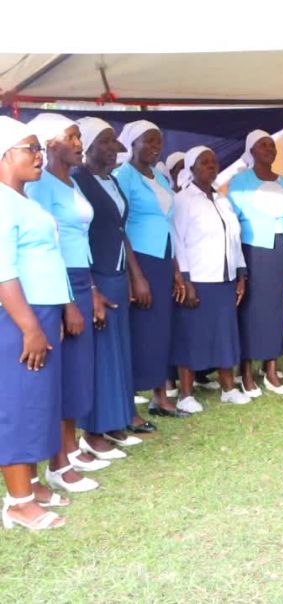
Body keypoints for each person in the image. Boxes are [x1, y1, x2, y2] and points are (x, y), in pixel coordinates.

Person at [25, 114, 117, 494]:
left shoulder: (72, 182)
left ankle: (68, 449)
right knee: (60, 374)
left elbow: (78, 241)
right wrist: (67, 303)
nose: (79, 143)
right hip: (58, 283)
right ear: (50, 145)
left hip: (81, 278)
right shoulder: (41, 186)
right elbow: (52, 248)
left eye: (79, 136)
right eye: (72, 137)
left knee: (76, 371)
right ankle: (57, 462)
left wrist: (90, 288)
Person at [0, 116, 72, 530]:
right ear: (6, 155)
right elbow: (4, 271)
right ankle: (17, 502)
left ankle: (29, 485)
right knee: (18, 402)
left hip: (40, 311)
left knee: (38, 400)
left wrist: (54, 314)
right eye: (31, 148)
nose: (39, 156)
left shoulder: (25, 200)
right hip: (18, 315)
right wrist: (29, 326)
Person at [73, 117, 155, 463]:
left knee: (119, 349)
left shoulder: (109, 181)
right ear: (88, 146)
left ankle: (115, 422)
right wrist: (90, 285)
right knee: (100, 353)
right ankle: (92, 432)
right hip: (96, 275)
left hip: (119, 272)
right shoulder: (77, 181)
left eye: (112, 141)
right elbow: (77, 236)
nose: (112, 147)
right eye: (105, 141)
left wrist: (137, 274)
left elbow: (121, 231)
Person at [113, 121, 190, 417]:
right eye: (149, 140)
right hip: (139, 261)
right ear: (132, 143)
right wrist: (136, 276)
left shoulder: (159, 175)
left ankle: (160, 396)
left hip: (162, 258)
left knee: (160, 331)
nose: (156, 146)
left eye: (159, 140)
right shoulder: (125, 176)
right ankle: (130, 405)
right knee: (138, 331)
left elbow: (167, 223)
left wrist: (175, 270)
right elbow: (120, 227)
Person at [170, 146, 250, 409]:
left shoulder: (222, 199)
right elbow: (177, 242)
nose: (211, 166)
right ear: (191, 169)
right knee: (192, 335)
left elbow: (234, 239)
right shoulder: (183, 200)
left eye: (214, 162)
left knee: (225, 334)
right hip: (198, 278)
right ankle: (186, 394)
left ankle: (229, 388)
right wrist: (186, 280)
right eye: (204, 162)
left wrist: (241, 273)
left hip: (224, 278)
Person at [228, 130, 283, 397]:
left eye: (272, 145)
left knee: (276, 308)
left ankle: (271, 368)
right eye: (262, 145)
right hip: (254, 248)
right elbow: (233, 219)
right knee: (252, 310)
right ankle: (245, 371)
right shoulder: (240, 181)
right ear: (251, 151)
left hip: (282, 248)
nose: (270, 149)